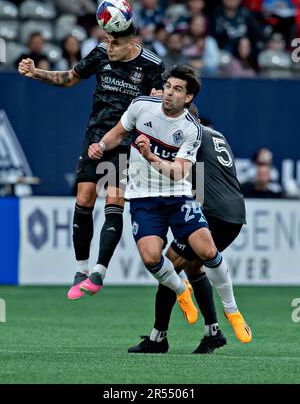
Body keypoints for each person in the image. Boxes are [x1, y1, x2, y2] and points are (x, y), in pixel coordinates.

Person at [85, 65, 242, 328]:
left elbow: (179, 172)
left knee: (206, 250)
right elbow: (119, 131)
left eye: (177, 89)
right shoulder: (141, 106)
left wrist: (150, 156)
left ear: (188, 97)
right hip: (144, 198)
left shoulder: (192, 129)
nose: (169, 93)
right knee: (151, 258)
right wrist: (101, 145)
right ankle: (182, 292)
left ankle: (232, 311)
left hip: (177, 195)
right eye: (168, 86)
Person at [18, 22, 166, 301]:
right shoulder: (100, 53)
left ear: (130, 41)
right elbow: (71, 77)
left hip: (127, 142)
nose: (108, 47)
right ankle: (81, 270)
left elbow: (165, 107)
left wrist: (158, 102)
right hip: (95, 137)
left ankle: (100, 270)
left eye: (114, 43)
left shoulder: (152, 65)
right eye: (107, 40)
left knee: (114, 200)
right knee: (84, 199)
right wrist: (36, 72)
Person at [128, 106, 252, 354]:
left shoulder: (190, 136)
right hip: (235, 213)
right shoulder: (218, 136)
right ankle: (213, 332)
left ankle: (157, 339)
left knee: (170, 267)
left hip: (212, 212)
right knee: (195, 267)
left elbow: (176, 172)